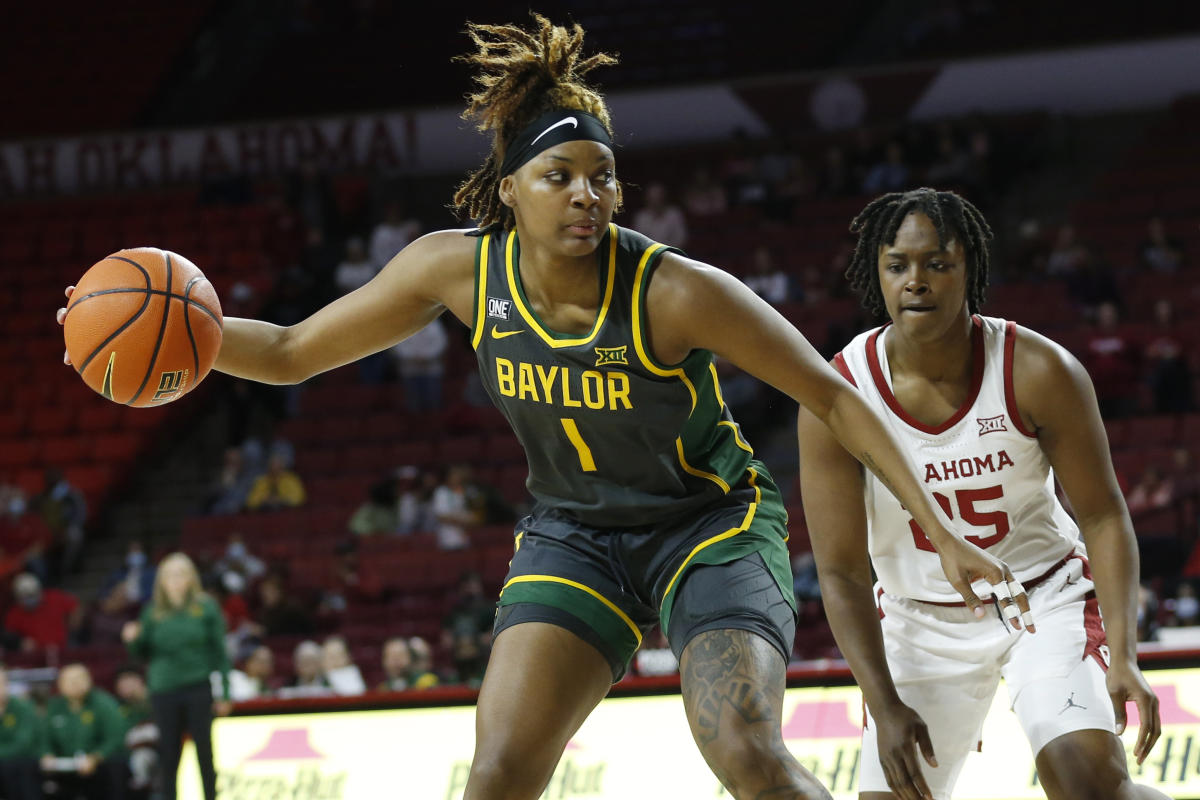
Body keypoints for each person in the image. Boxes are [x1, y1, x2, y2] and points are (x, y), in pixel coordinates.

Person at [61, 16, 1018, 800]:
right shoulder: (457, 270)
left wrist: (937, 523)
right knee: (499, 775)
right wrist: (173, 329)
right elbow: (293, 352)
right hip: (576, 534)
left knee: (745, 752)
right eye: (559, 177)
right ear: (509, 189)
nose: (586, 195)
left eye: (602, 176)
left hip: (708, 528)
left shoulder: (674, 290)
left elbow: (833, 399)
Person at [797, 188, 1166, 800]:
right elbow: (839, 572)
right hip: (918, 622)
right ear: (877, 275)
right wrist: (882, 702)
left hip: (1039, 600)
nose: (916, 281)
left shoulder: (1038, 369)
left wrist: (1125, 654)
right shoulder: (840, 392)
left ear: (970, 269)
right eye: (897, 266)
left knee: (1085, 778)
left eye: (937, 264)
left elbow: (1103, 516)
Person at [122, 553, 231, 800]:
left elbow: (220, 653)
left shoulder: (205, 608)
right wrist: (132, 639)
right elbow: (141, 652)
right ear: (161, 580)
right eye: (170, 575)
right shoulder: (152, 612)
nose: (176, 580)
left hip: (198, 686)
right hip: (163, 689)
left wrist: (225, 692)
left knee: (205, 751)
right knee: (169, 754)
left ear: (192, 578)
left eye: (181, 574)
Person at [42, 663, 127, 800]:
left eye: (79, 679)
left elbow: (115, 739)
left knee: (115, 764)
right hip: (64, 766)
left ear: (89, 680)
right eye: (69, 680)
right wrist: (47, 754)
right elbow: (44, 738)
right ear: (60, 685)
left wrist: (96, 757)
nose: (74, 684)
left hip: (100, 765)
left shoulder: (104, 703)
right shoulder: (54, 707)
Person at [4, 571, 83, 655]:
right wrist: (19, 642)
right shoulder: (14, 613)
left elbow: (76, 607)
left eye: (31, 595)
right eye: (24, 597)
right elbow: (9, 637)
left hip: (63, 650)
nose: (29, 599)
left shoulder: (54, 598)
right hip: (34, 656)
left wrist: (73, 627)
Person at [113, 665, 160, 799]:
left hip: (159, 751)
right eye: (121, 683)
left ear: (140, 680)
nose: (125, 686)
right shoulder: (119, 707)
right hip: (129, 754)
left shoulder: (156, 700)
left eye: (128, 680)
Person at [0, 664, 44, 800]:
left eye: (1, 683)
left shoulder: (23, 708)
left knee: (18, 766)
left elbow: (23, 743)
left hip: (21, 766)